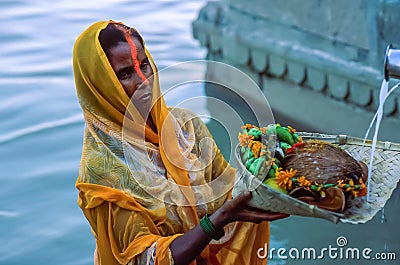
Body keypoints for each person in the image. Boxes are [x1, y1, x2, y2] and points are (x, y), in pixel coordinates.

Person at [73, 20, 289, 265]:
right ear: (100, 87)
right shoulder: (102, 172)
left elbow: (227, 189)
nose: (144, 80)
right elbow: (144, 259)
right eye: (125, 74)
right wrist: (218, 220)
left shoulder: (186, 126)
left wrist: (273, 174)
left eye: (145, 65)